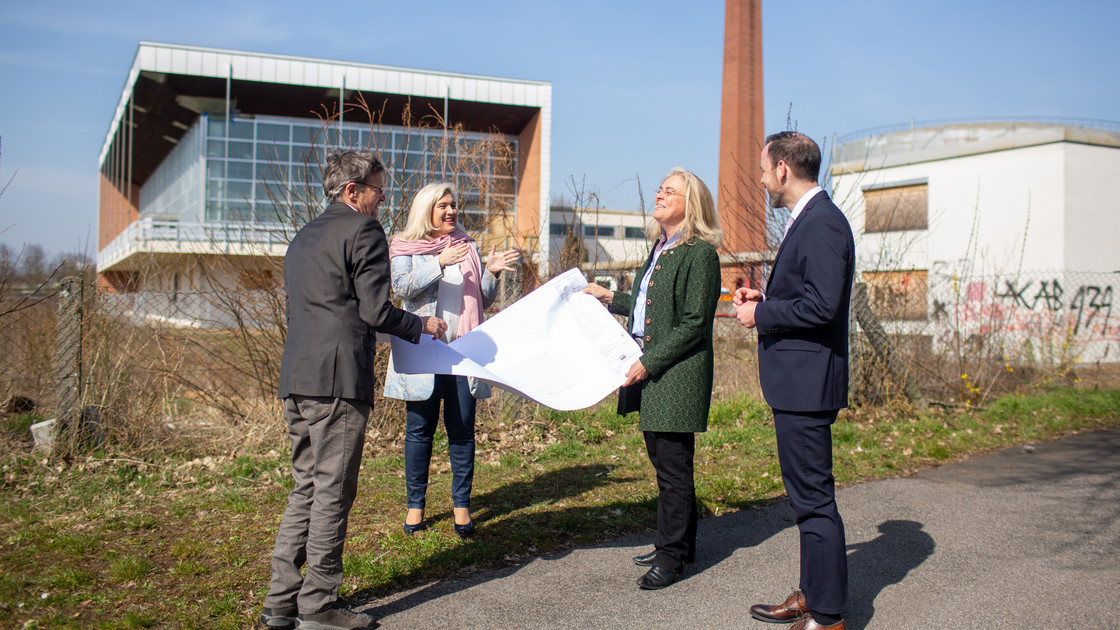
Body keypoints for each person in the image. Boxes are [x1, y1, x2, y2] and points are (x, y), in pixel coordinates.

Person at [262, 151, 447, 630]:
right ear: (352, 191)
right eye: (378, 193)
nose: (382, 203)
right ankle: (319, 606)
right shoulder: (362, 231)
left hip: (297, 379)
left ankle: (279, 602)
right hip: (338, 382)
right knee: (332, 493)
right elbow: (375, 311)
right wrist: (421, 323)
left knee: (306, 486)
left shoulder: (303, 237)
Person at [733, 131, 855, 630]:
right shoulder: (809, 219)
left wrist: (764, 316)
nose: (761, 179)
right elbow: (807, 296)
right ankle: (813, 595)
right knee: (806, 497)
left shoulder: (823, 222)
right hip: (798, 384)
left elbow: (823, 306)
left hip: (806, 385)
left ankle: (827, 618)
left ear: (783, 168)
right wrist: (767, 302)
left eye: (763, 169)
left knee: (813, 501)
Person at [584, 167, 723, 590]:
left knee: (673, 467)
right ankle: (680, 542)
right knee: (665, 463)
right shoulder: (661, 247)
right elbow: (651, 309)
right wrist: (611, 298)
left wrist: (648, 362)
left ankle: (671, 556)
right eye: (660, 190)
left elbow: (695, 322)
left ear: (691, 204)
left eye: (670, 191)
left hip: (676, 373)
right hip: (655, 367)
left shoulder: (699, 253)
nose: (660, 195)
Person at [384, 182, 519, 537]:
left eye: (454, 205)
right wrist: (436, 262)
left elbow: (480, 299)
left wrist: (490, 272)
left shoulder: (467, 244)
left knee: (461, 431)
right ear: (426, 209)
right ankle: (416, 505)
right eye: (442, 205)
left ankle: (461, 505)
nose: (451, 211)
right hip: (424, 350)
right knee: (419, 431)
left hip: (463, 352)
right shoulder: (404, 246)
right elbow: (401, 288)